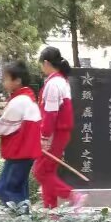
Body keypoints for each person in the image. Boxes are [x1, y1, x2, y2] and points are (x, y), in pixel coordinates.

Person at [0, 61, 42, 211]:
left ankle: (23, 218)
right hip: (25, 153)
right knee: (19, 191)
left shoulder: (18, 102)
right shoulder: (28, 99)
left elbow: (1, 128)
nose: (3, 82)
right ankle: (25, 221)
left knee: (5, 189)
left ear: (17, 81)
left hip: (18, 153)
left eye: (6, 79)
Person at [32, 46, 81, 210]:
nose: (42, 67)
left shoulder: (53, 84)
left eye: (42, 64)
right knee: (48, 172)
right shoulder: (61, 81)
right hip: (60, 133)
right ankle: (50, 212)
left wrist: (45, 136)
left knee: (40, 172)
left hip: (54, 134)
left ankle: (71, 195)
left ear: (46, 63)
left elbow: (51, 113)